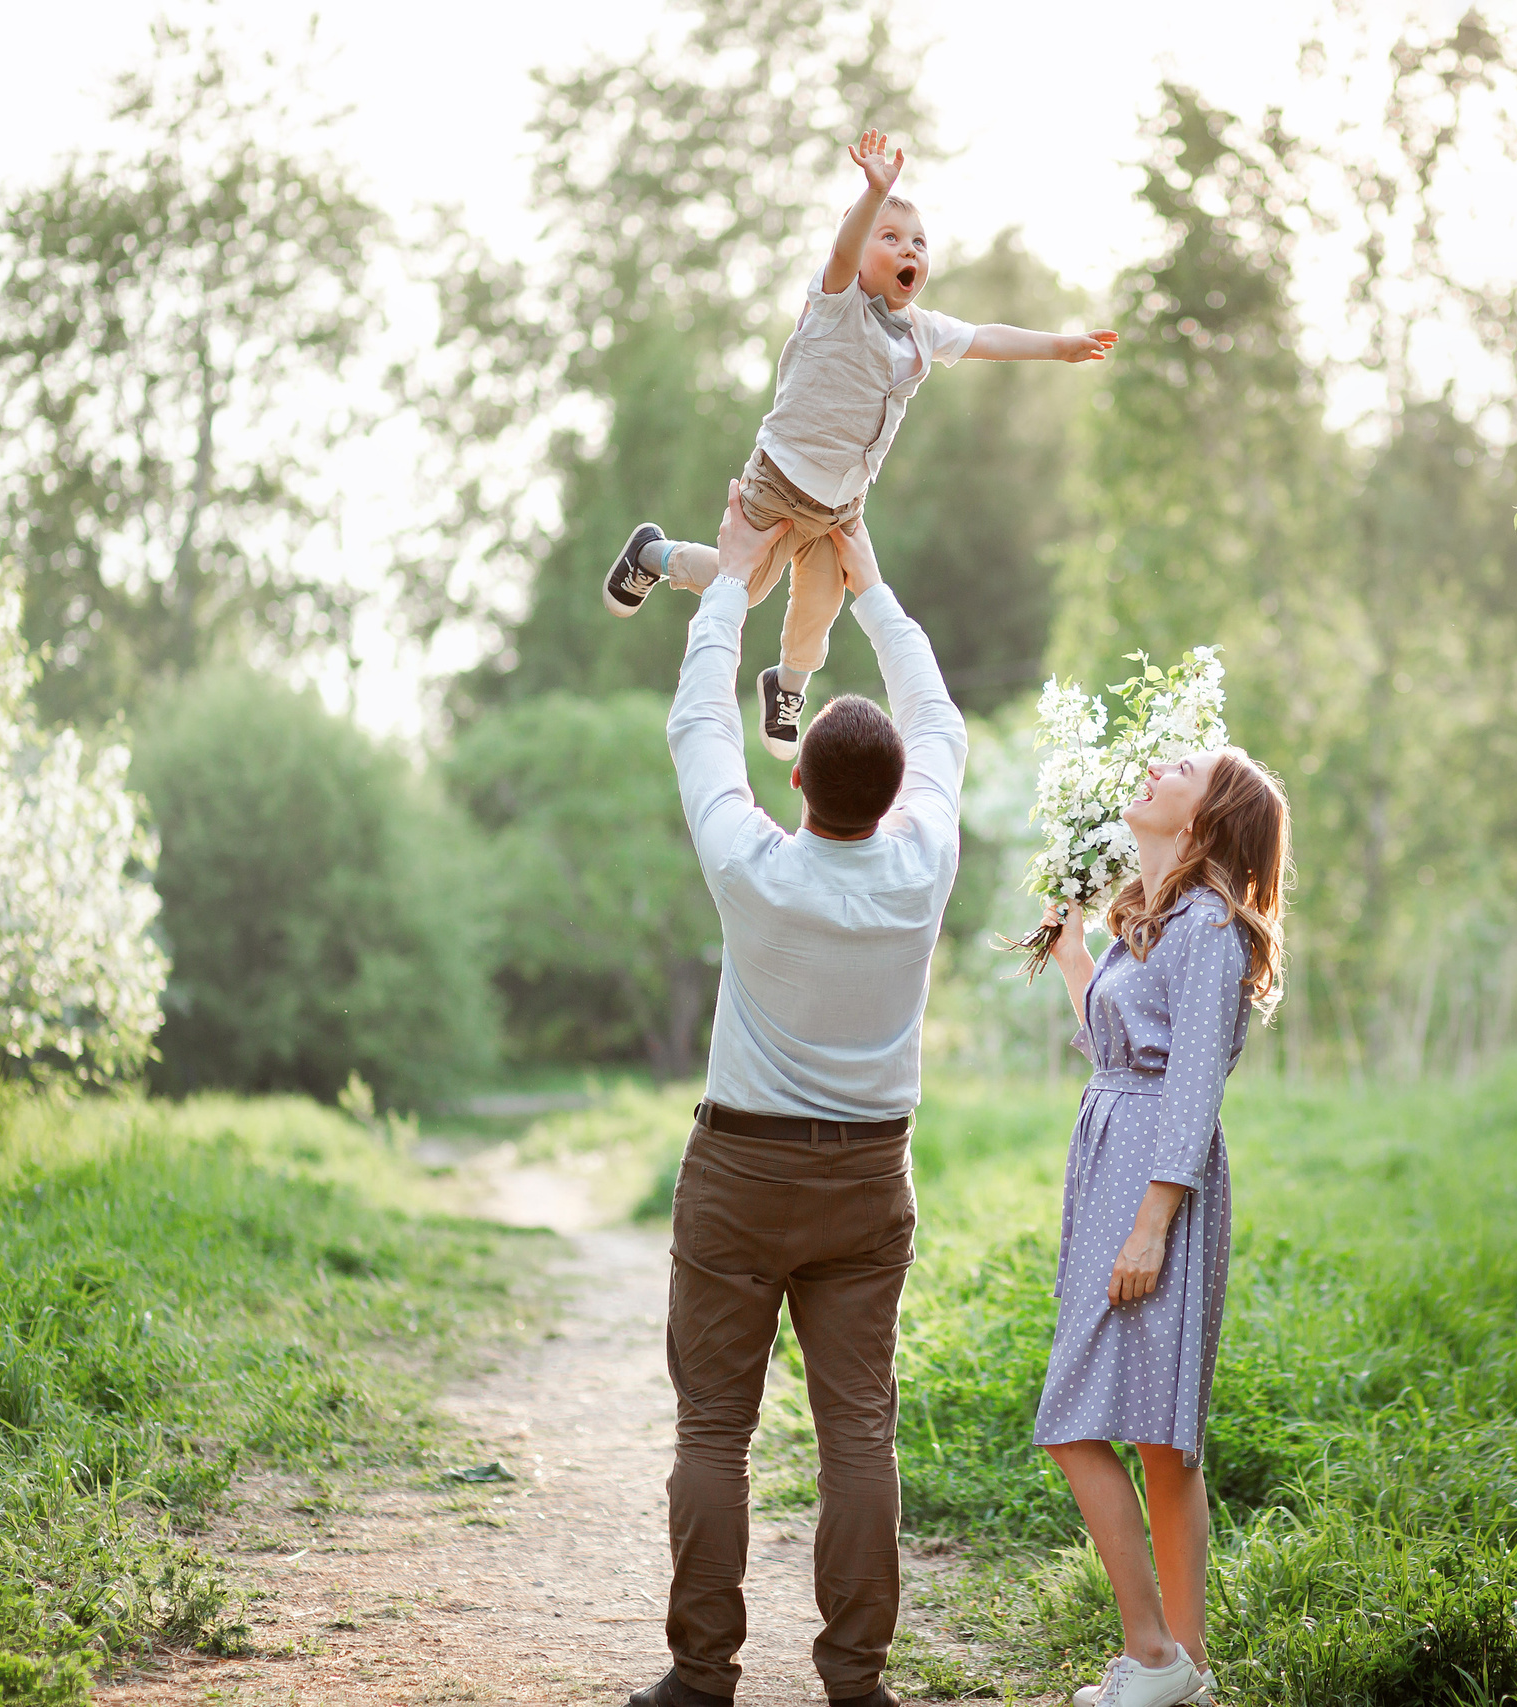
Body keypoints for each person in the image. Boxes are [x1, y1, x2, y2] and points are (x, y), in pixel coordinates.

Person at [628, 493, 964, 1707]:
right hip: (868, 1180)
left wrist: (731, 581)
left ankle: (702, 1676)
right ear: (890, 795)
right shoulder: (924, 863)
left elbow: (698, 722)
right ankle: (855, 1682)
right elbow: (938, 720)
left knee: (713, 1433)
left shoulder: (755, 866)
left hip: (740, 1175)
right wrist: (867, 584)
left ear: (803, 786)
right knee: (856, 1435)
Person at [603, 125, 1118, 761]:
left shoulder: (923, 332)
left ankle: (786, 685)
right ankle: (654, 555)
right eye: (892, 238)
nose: (910, 251)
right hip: (781, 478)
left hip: (843, 504)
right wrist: (874, 194)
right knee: (742, 584)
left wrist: (1058, 345)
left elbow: (987, 337)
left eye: (920, 244)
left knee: (819, 607)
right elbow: (846, 250)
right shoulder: (836, 300)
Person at [1035, 748, 1291, 1707]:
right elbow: (1125, 1052)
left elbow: (1189, 1092)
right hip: (1118, 1161)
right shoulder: (1157, 924)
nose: (1151, 766)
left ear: (1207, 815)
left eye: (1180, 765)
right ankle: (1189, 1671)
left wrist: (1150, 1228)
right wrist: (1075, 966)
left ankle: (1153, 1657)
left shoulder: (1211, 931)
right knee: (1157, 1440)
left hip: (1152, 1181)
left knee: (1077, 1420)